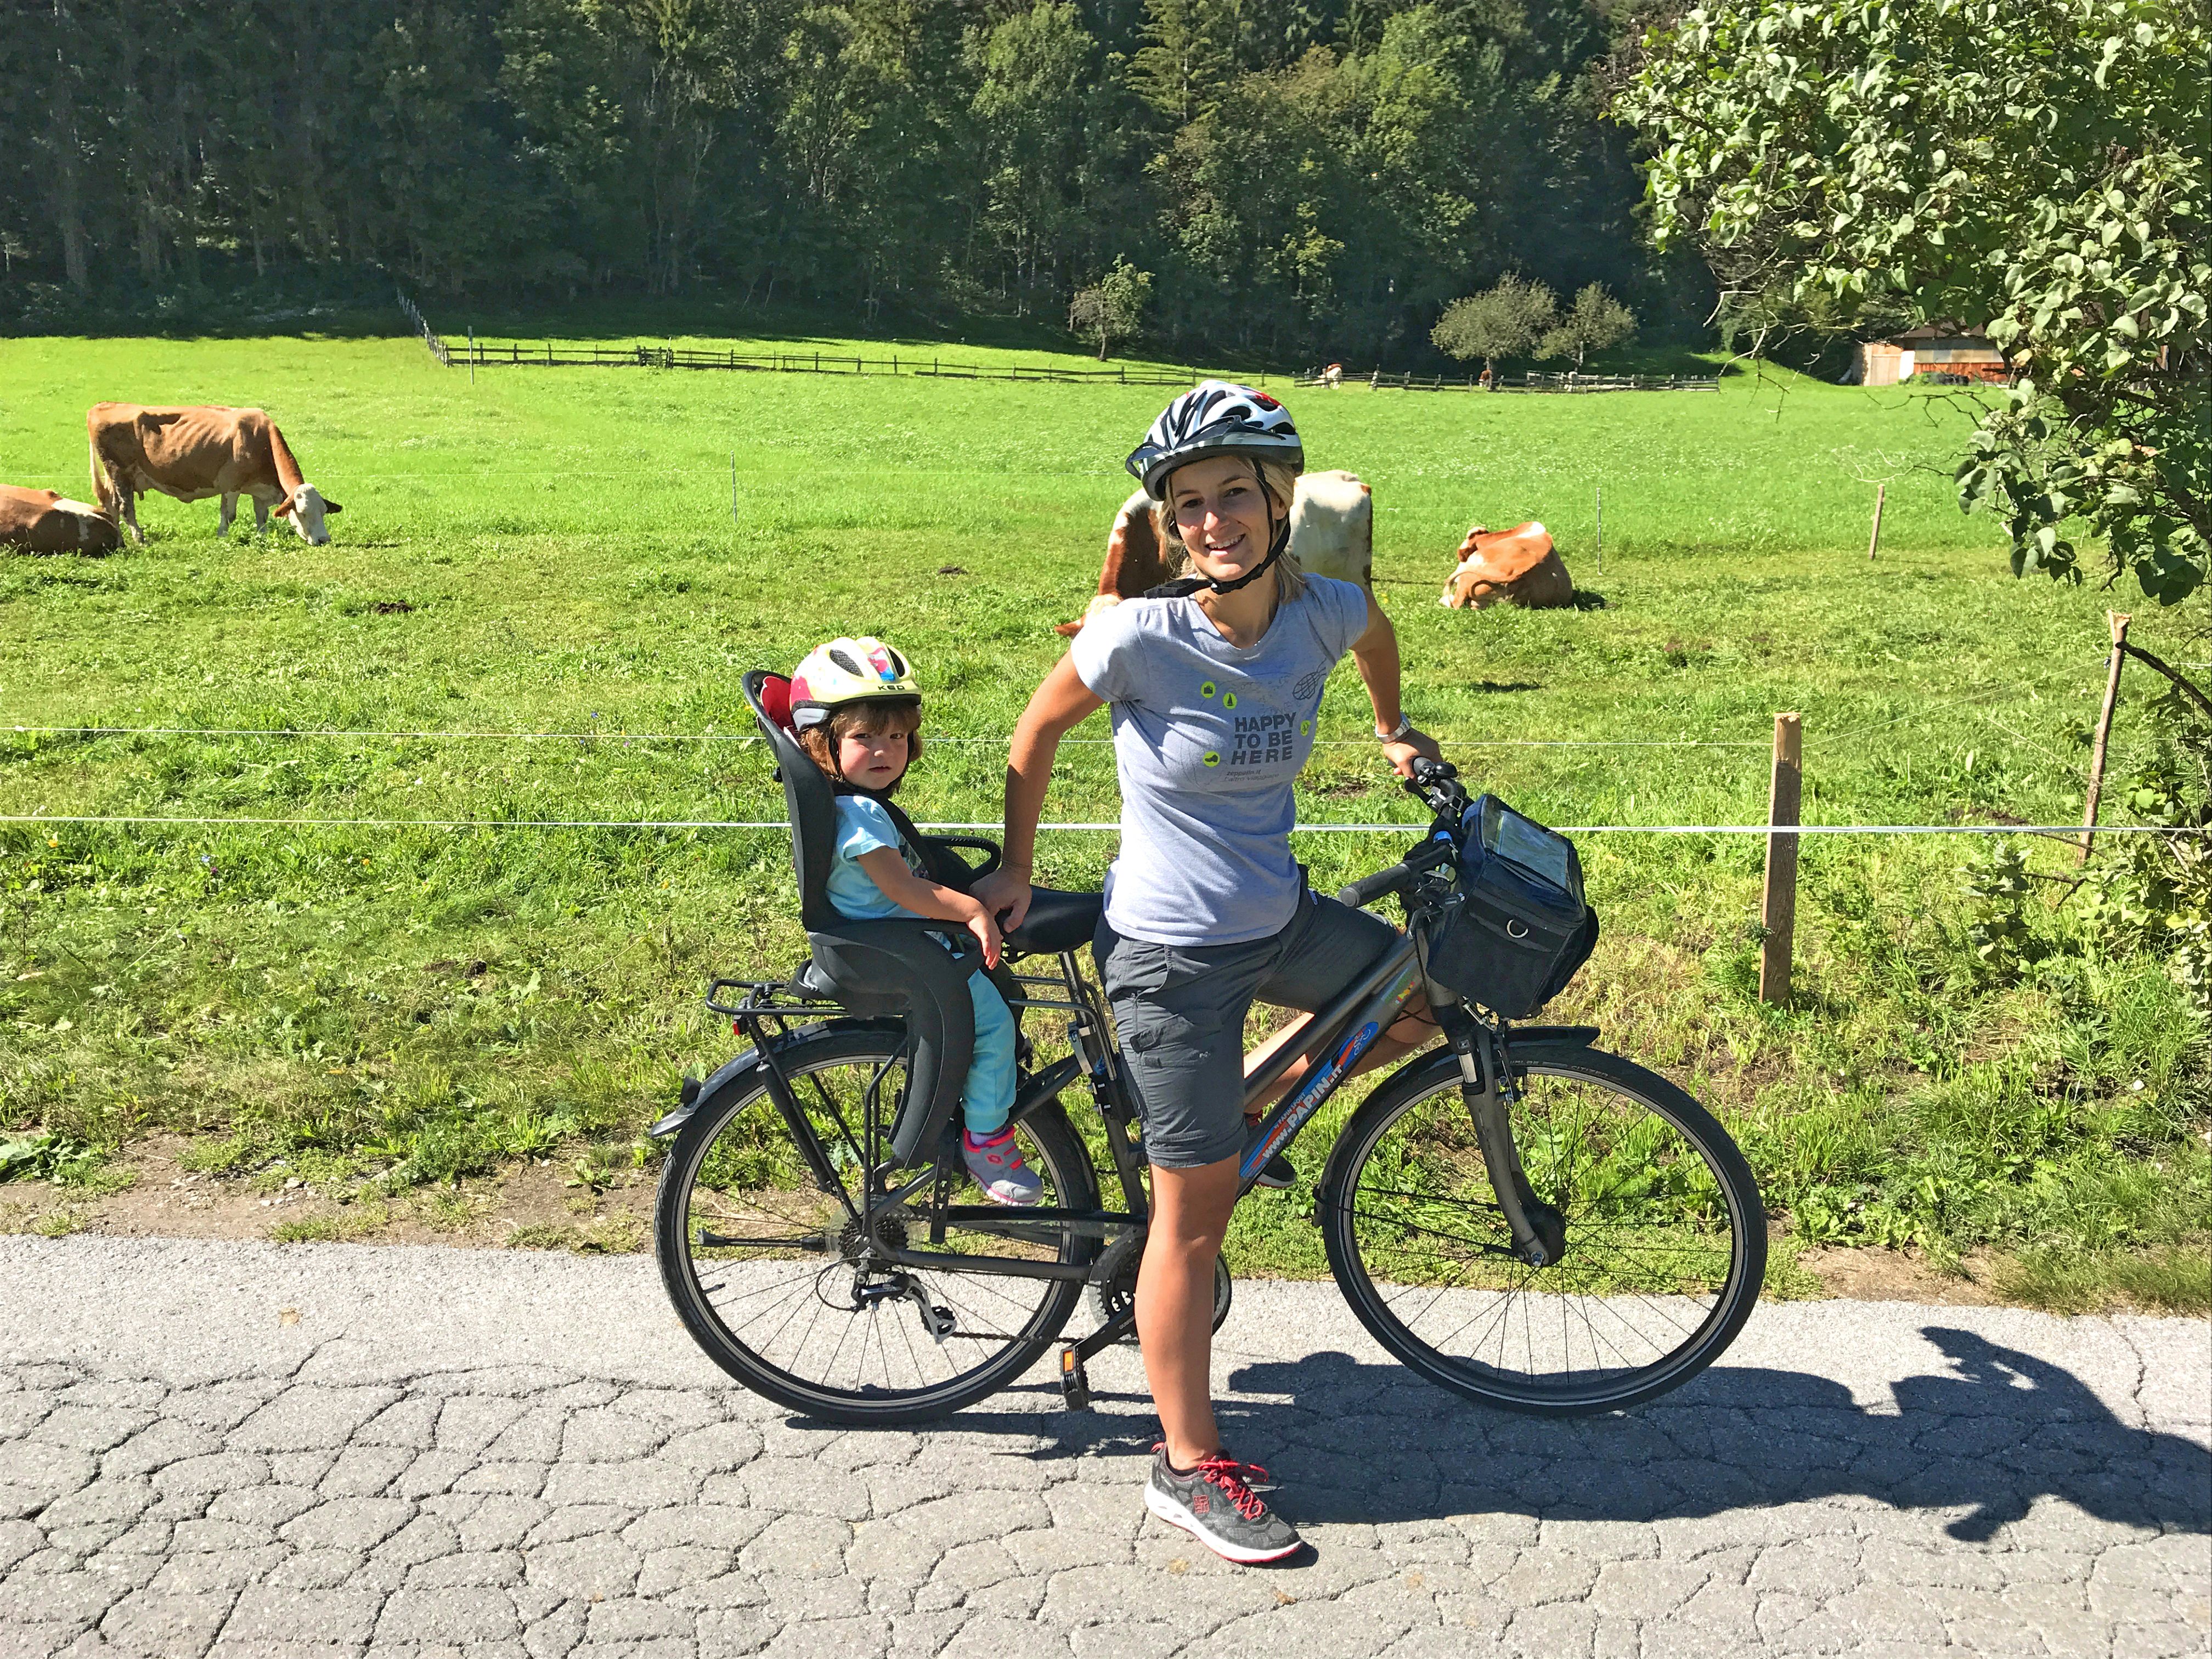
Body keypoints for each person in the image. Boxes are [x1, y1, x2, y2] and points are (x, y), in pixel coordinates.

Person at [973, 383, 1442, 1561]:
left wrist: (1393, 730)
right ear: (1170, 522)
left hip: (1279, 921)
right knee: (1193, 1223)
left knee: (1415, 1001)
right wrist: (1016, 866)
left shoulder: (1326, 613)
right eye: (1191, 504)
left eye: (1236, 494)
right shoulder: (1139, 635)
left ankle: (1237, 1114)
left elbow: (1381, 639)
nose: (1215, 519)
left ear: (1282, 503)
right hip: (1171, 958)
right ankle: (1185, 1468)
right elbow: (1035, 736)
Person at [790, 636, 1041, 1205]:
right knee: (995, 1026)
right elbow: (902, 888)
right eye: (864, 737)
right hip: (901, 946)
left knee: (995, 1010)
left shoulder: (854, 805)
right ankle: (988, 1138)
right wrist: (971, 908)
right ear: (819, 742)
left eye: (898, 736)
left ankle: (974, 1104)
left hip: (895, 936)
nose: (885, 750)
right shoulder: (859, 817)